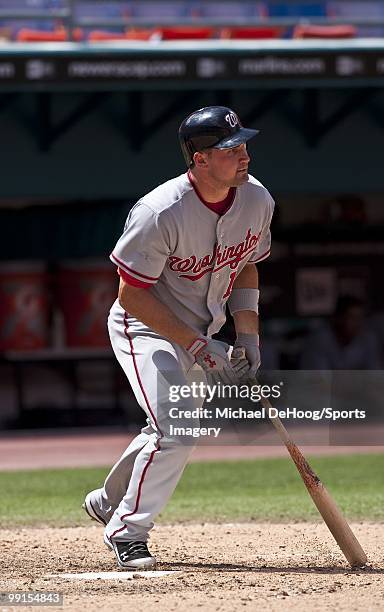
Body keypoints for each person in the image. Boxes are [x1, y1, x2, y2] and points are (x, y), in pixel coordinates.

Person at [82, 106, 275, 569]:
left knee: (166, 427)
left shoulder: (257, 199)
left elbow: (248, 263)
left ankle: (109, 501)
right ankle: (127, 529)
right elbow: (132, 295)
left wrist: (247, 335)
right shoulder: (159, 211)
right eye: (230, 149)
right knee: (180, 427)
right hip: (146, 328)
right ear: (200, 159)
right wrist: (193, 344)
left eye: (244, 144)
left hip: (203, 332)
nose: (243, 155)